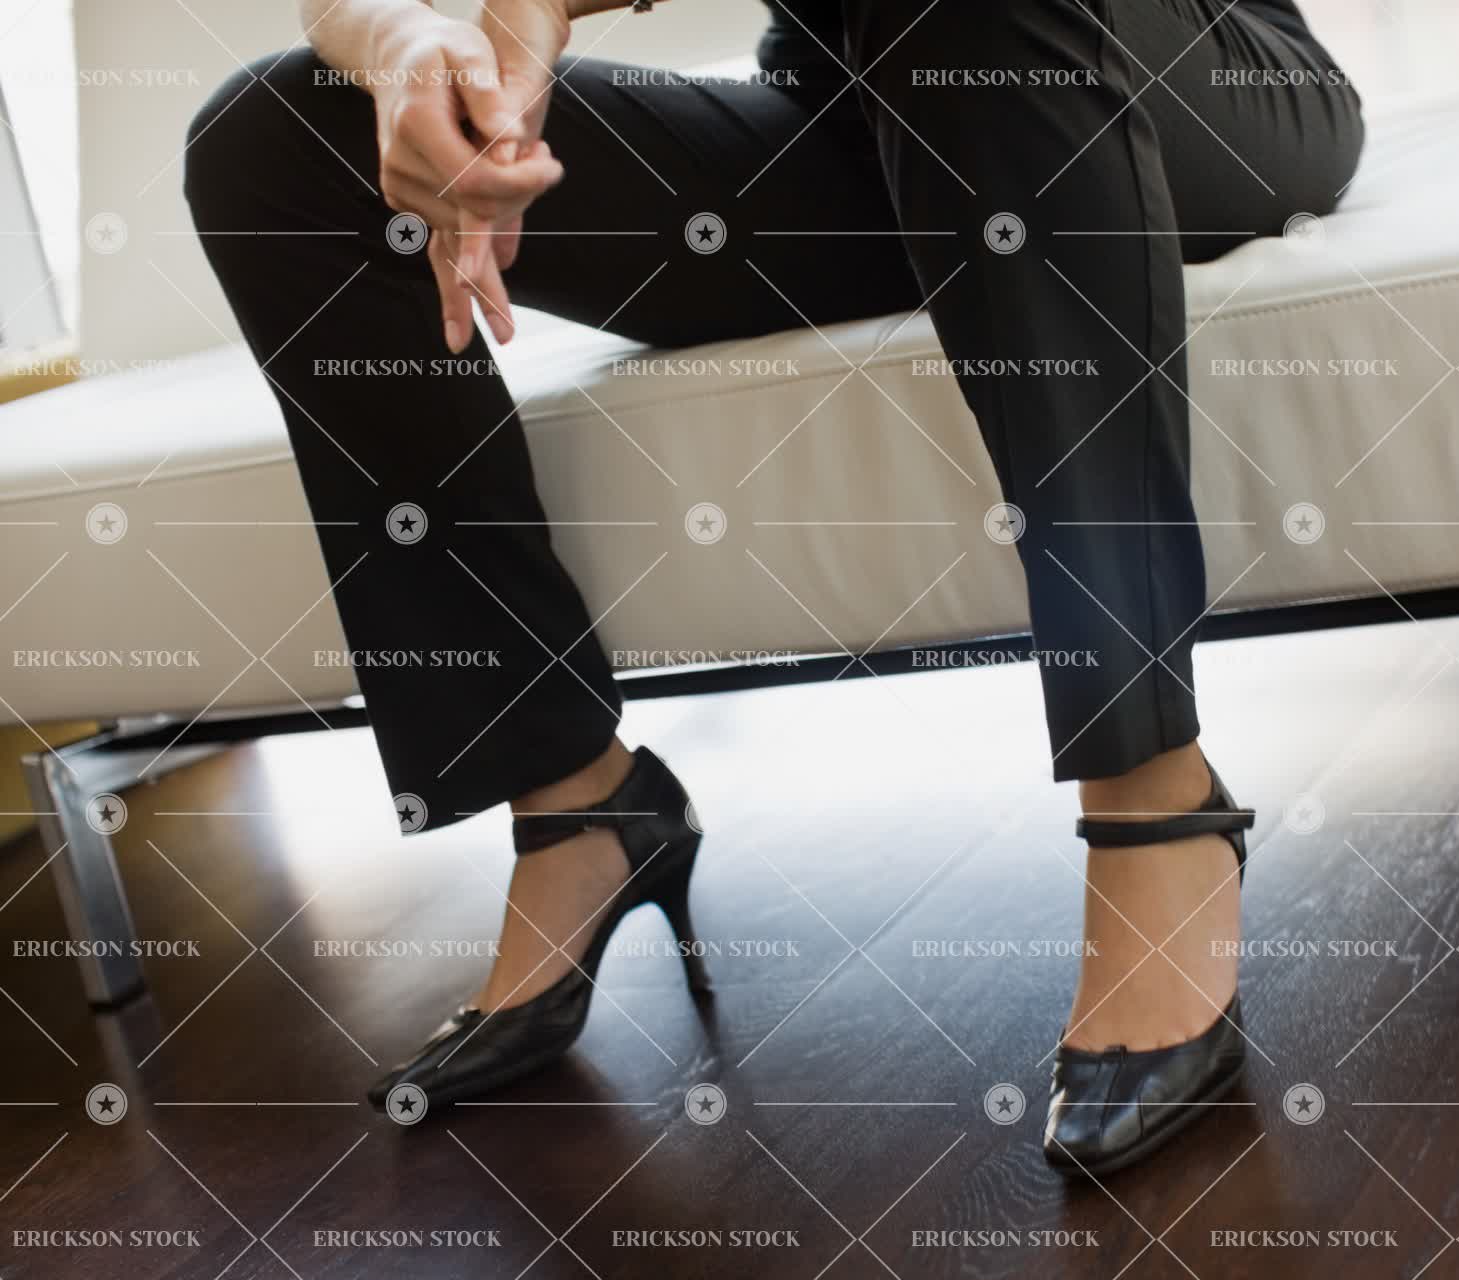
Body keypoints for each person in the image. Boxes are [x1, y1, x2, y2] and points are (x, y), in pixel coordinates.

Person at [184, 0, 1363, 1176]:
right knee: (275, 136)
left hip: (1162, 73)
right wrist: (404, 46)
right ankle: (578, 802)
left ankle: (1156, 795)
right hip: (855, 121)